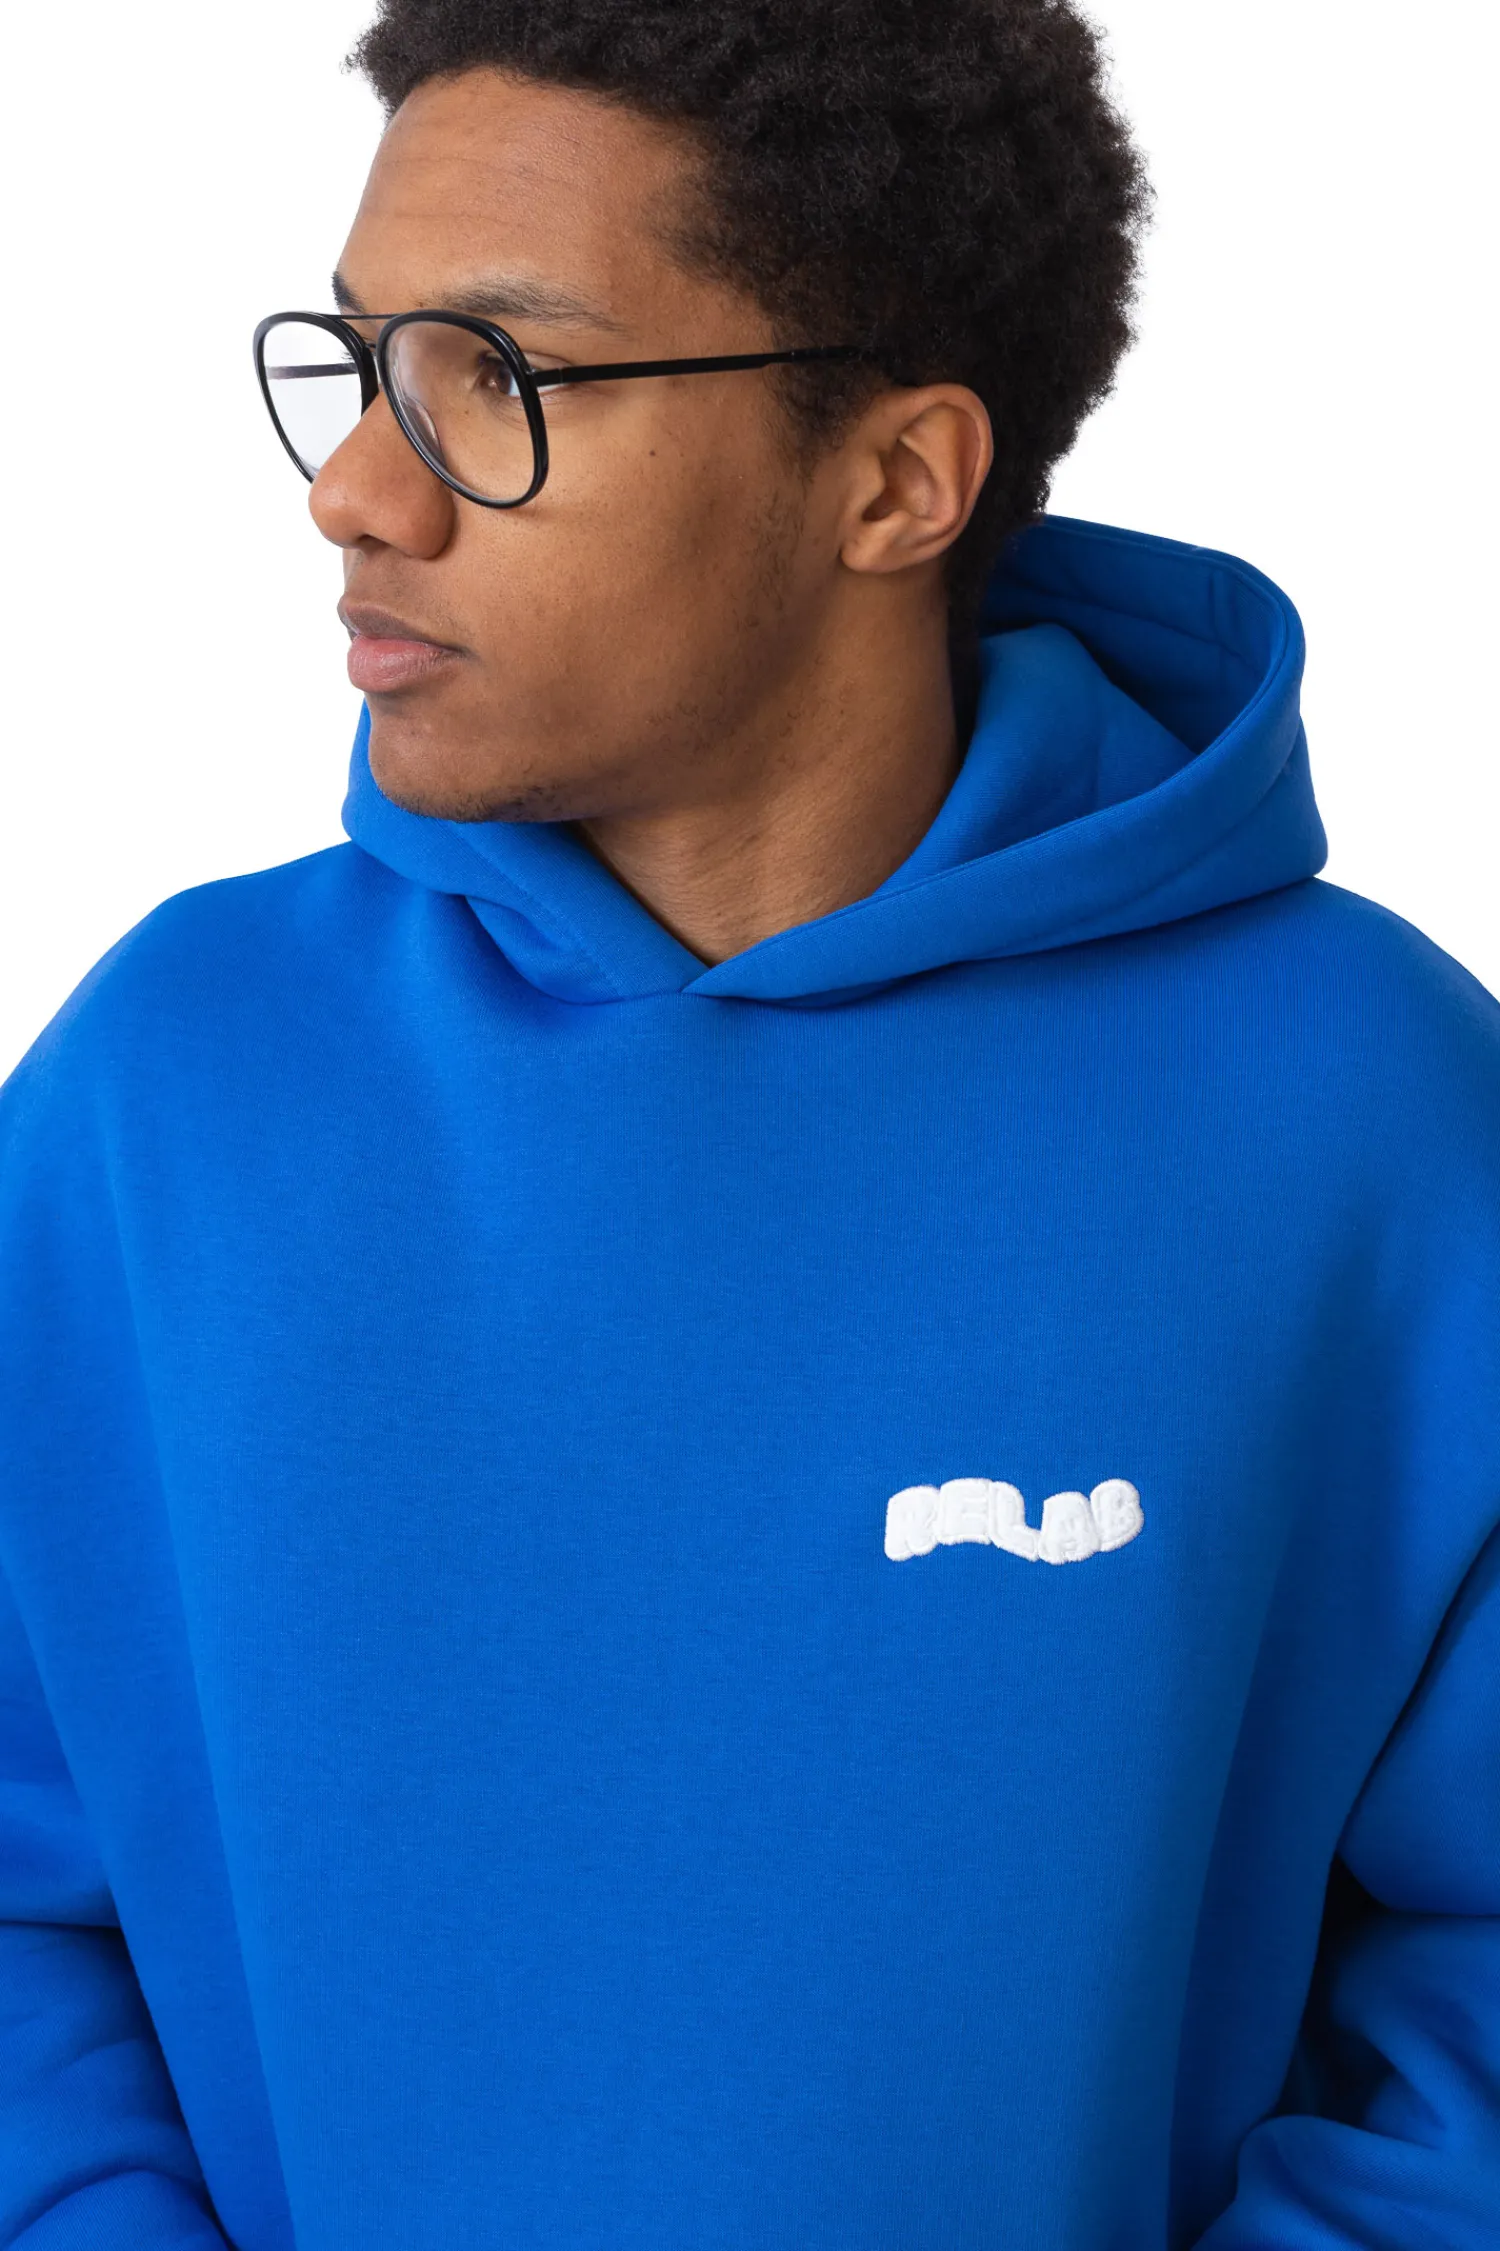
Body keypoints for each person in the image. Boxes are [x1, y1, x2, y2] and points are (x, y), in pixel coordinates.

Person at [2, 1, 1497, 2245]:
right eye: (362, 360)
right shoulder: (167, 1090)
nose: (358, 490)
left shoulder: (1367, 1114)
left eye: (501, 375)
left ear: (895, 482)